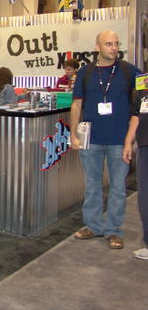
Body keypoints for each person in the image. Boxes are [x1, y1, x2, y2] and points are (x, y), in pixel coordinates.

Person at [70, 30, 140, 249]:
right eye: (109, 44)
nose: (114, 48)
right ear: (97, 46)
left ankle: (113, 230)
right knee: (92, 186)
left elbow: (142, 103)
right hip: (91, 139)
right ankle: (94, 225)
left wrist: (130, 140)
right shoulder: (85, 72)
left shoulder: (130, 71)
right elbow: (76, 105)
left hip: (119, 140)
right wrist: (73, 133)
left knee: (118, 187)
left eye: (116, 44)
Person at [122, 86, 148, 260]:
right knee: (145, 198)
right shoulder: (143, 88)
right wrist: (128, 142)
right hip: (145, 146)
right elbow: (136, 117)